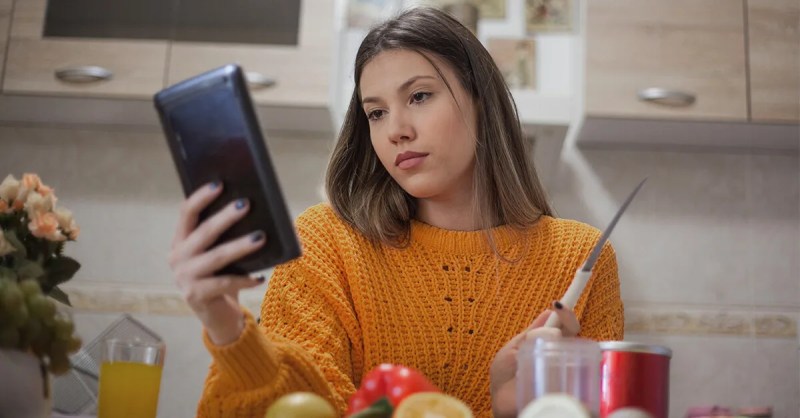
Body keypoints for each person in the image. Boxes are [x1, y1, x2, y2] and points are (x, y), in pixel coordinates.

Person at [169, 7, 623, 418]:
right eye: (376, 113)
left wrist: (514, 411)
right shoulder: (325, 243)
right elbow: (300, 410)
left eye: (420, 97)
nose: (396, 131)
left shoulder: (582, 258)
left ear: (481, 100)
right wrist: (226, 326)